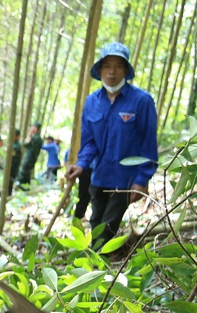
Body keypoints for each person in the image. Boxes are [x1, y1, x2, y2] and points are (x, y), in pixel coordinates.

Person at [66, 42, 157, 249]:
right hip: (99, 177)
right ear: (100, 70)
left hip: (125, 180)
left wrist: (142, 179)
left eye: (118, 66)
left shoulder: (142, 101)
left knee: (107, 229)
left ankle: (94, 268)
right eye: (107, 66)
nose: (112, 72)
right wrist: (81, 165)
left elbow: (148, 143)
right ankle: (94, 263)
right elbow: (89, 142)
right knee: (96, 222)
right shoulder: (91, 102)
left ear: (126, 69)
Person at [16, 122, 43, 189]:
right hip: (31, 161)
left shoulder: (34, 138)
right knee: (26, 177)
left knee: (23, 177)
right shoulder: (39, 138)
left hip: (28, 160)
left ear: (35, 128)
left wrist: (29, 134)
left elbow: (25, 144)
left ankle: (23, 191)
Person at [8, 128, 22, 195]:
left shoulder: (16, 146)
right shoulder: (14, 144)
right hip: (10, 168)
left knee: (9, 185)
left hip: (13, 169)